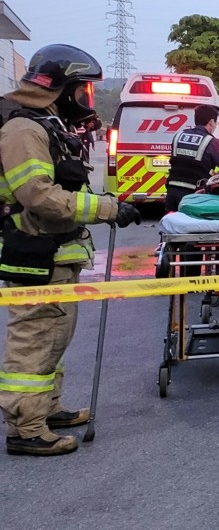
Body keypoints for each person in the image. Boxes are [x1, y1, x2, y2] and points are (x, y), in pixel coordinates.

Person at [0, 44, 140, 457]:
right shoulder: (24, 131)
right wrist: (106, 207)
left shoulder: (45, 124)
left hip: (55, 253)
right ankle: (26, 428)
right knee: (34, 338)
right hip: (35, 254)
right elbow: (38, 196)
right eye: (82, 91)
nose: (86, 100)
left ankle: (46, 410)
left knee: (54, 337)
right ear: (57, 87)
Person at [165, 104, 219, 213]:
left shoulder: (178, 136)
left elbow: (183, 161)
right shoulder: (211, 142)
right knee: (190, 227)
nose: (215, 126)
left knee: (171, 225)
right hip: (194, 195)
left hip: (172, 190)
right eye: (216, 123)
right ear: (211, 122)